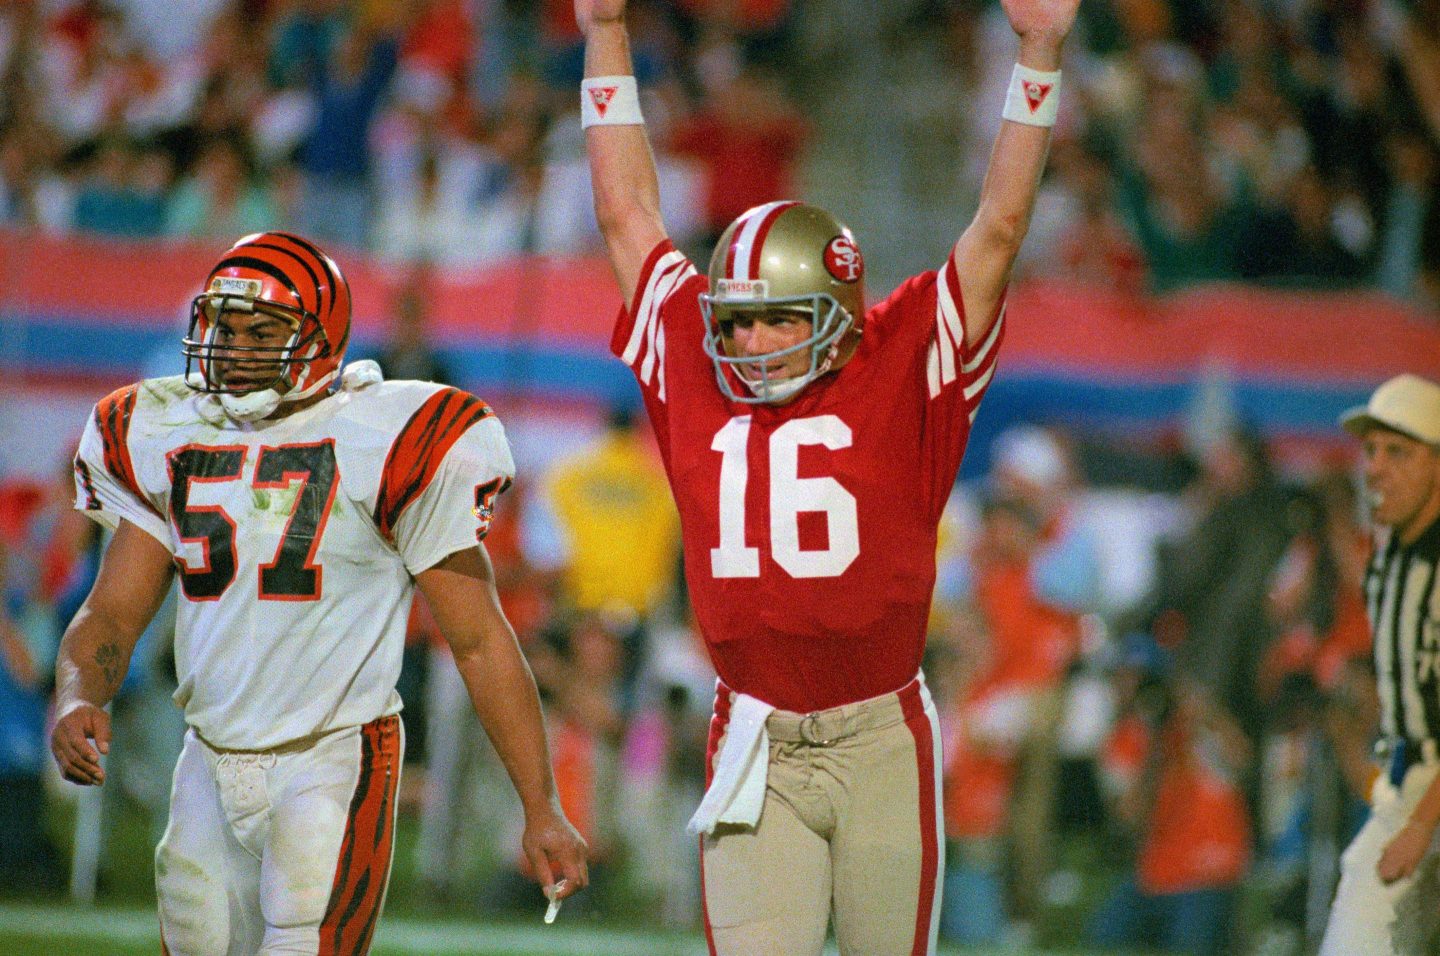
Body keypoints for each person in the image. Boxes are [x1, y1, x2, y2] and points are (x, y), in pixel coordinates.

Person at [574, 0, 1081, 951]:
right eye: (735, 320)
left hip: (879, 733)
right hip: (753, 729)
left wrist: (1039, 56)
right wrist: (605, 31)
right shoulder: (692, 361)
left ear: (839, 314)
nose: (750, 341)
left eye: (780, 318)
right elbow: (626, 213)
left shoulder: (902, 361)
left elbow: (1000, 226)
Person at [49, 231, 587, 955]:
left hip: (333, 758)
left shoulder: (382, 436)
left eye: (260, 333)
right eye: (225, 329)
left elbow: (480, 639)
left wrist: (541, 805)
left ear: (318, 338)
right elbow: (112, 612)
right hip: (205, 755)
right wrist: (78, 695)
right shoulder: (169, 433)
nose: (233, 350)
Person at [1320, 372, 1440, 956]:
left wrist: (1419, 827)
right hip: (1410, 789)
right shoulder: (1392, 558)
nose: (1376, 468)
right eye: (1370, 451)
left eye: (1398, 452)